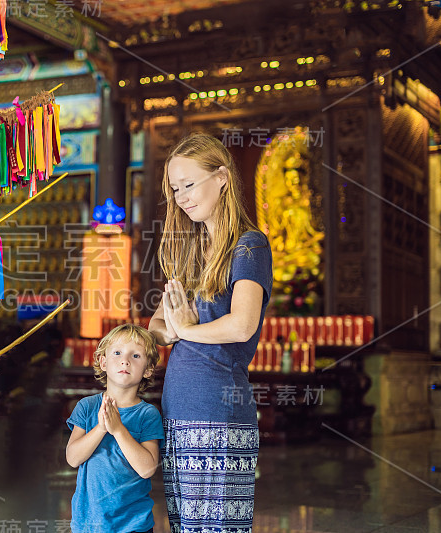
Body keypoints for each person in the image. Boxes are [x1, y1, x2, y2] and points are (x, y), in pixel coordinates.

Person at [149, 132, 273, 533]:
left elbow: (242, 325)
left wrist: (185, 328)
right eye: (174, 189)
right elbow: (158, 324)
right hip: (178, 409)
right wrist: (159, 335)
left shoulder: (249, 247)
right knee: (185, 525)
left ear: (221, 177)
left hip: (219, 409)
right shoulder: (191, 253)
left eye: (189, 184)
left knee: (219, 527)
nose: (181, 196)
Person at [65, 324, 164, 533]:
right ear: (103, 362)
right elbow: (73, 458)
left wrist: (118, 429)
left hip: (134, 526)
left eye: (136, 356)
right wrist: (101, 428)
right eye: (117, 352)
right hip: (88, 525)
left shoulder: (147, 414)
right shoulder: (87, 407)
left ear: (148, 369)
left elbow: (147, 469)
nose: (125, 360)